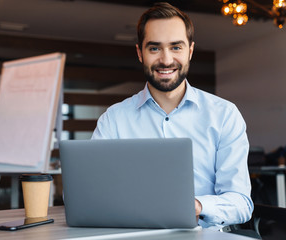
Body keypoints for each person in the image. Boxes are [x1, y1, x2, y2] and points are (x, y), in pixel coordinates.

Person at [92, 2, 253, 229]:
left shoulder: (224, 115)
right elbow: (96, 194)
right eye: (154, 48)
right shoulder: (113, 119)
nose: (166, 60)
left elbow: (241, 202)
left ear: (190, 50)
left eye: (176, 47)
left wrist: (197, 206)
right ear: (140, 53)